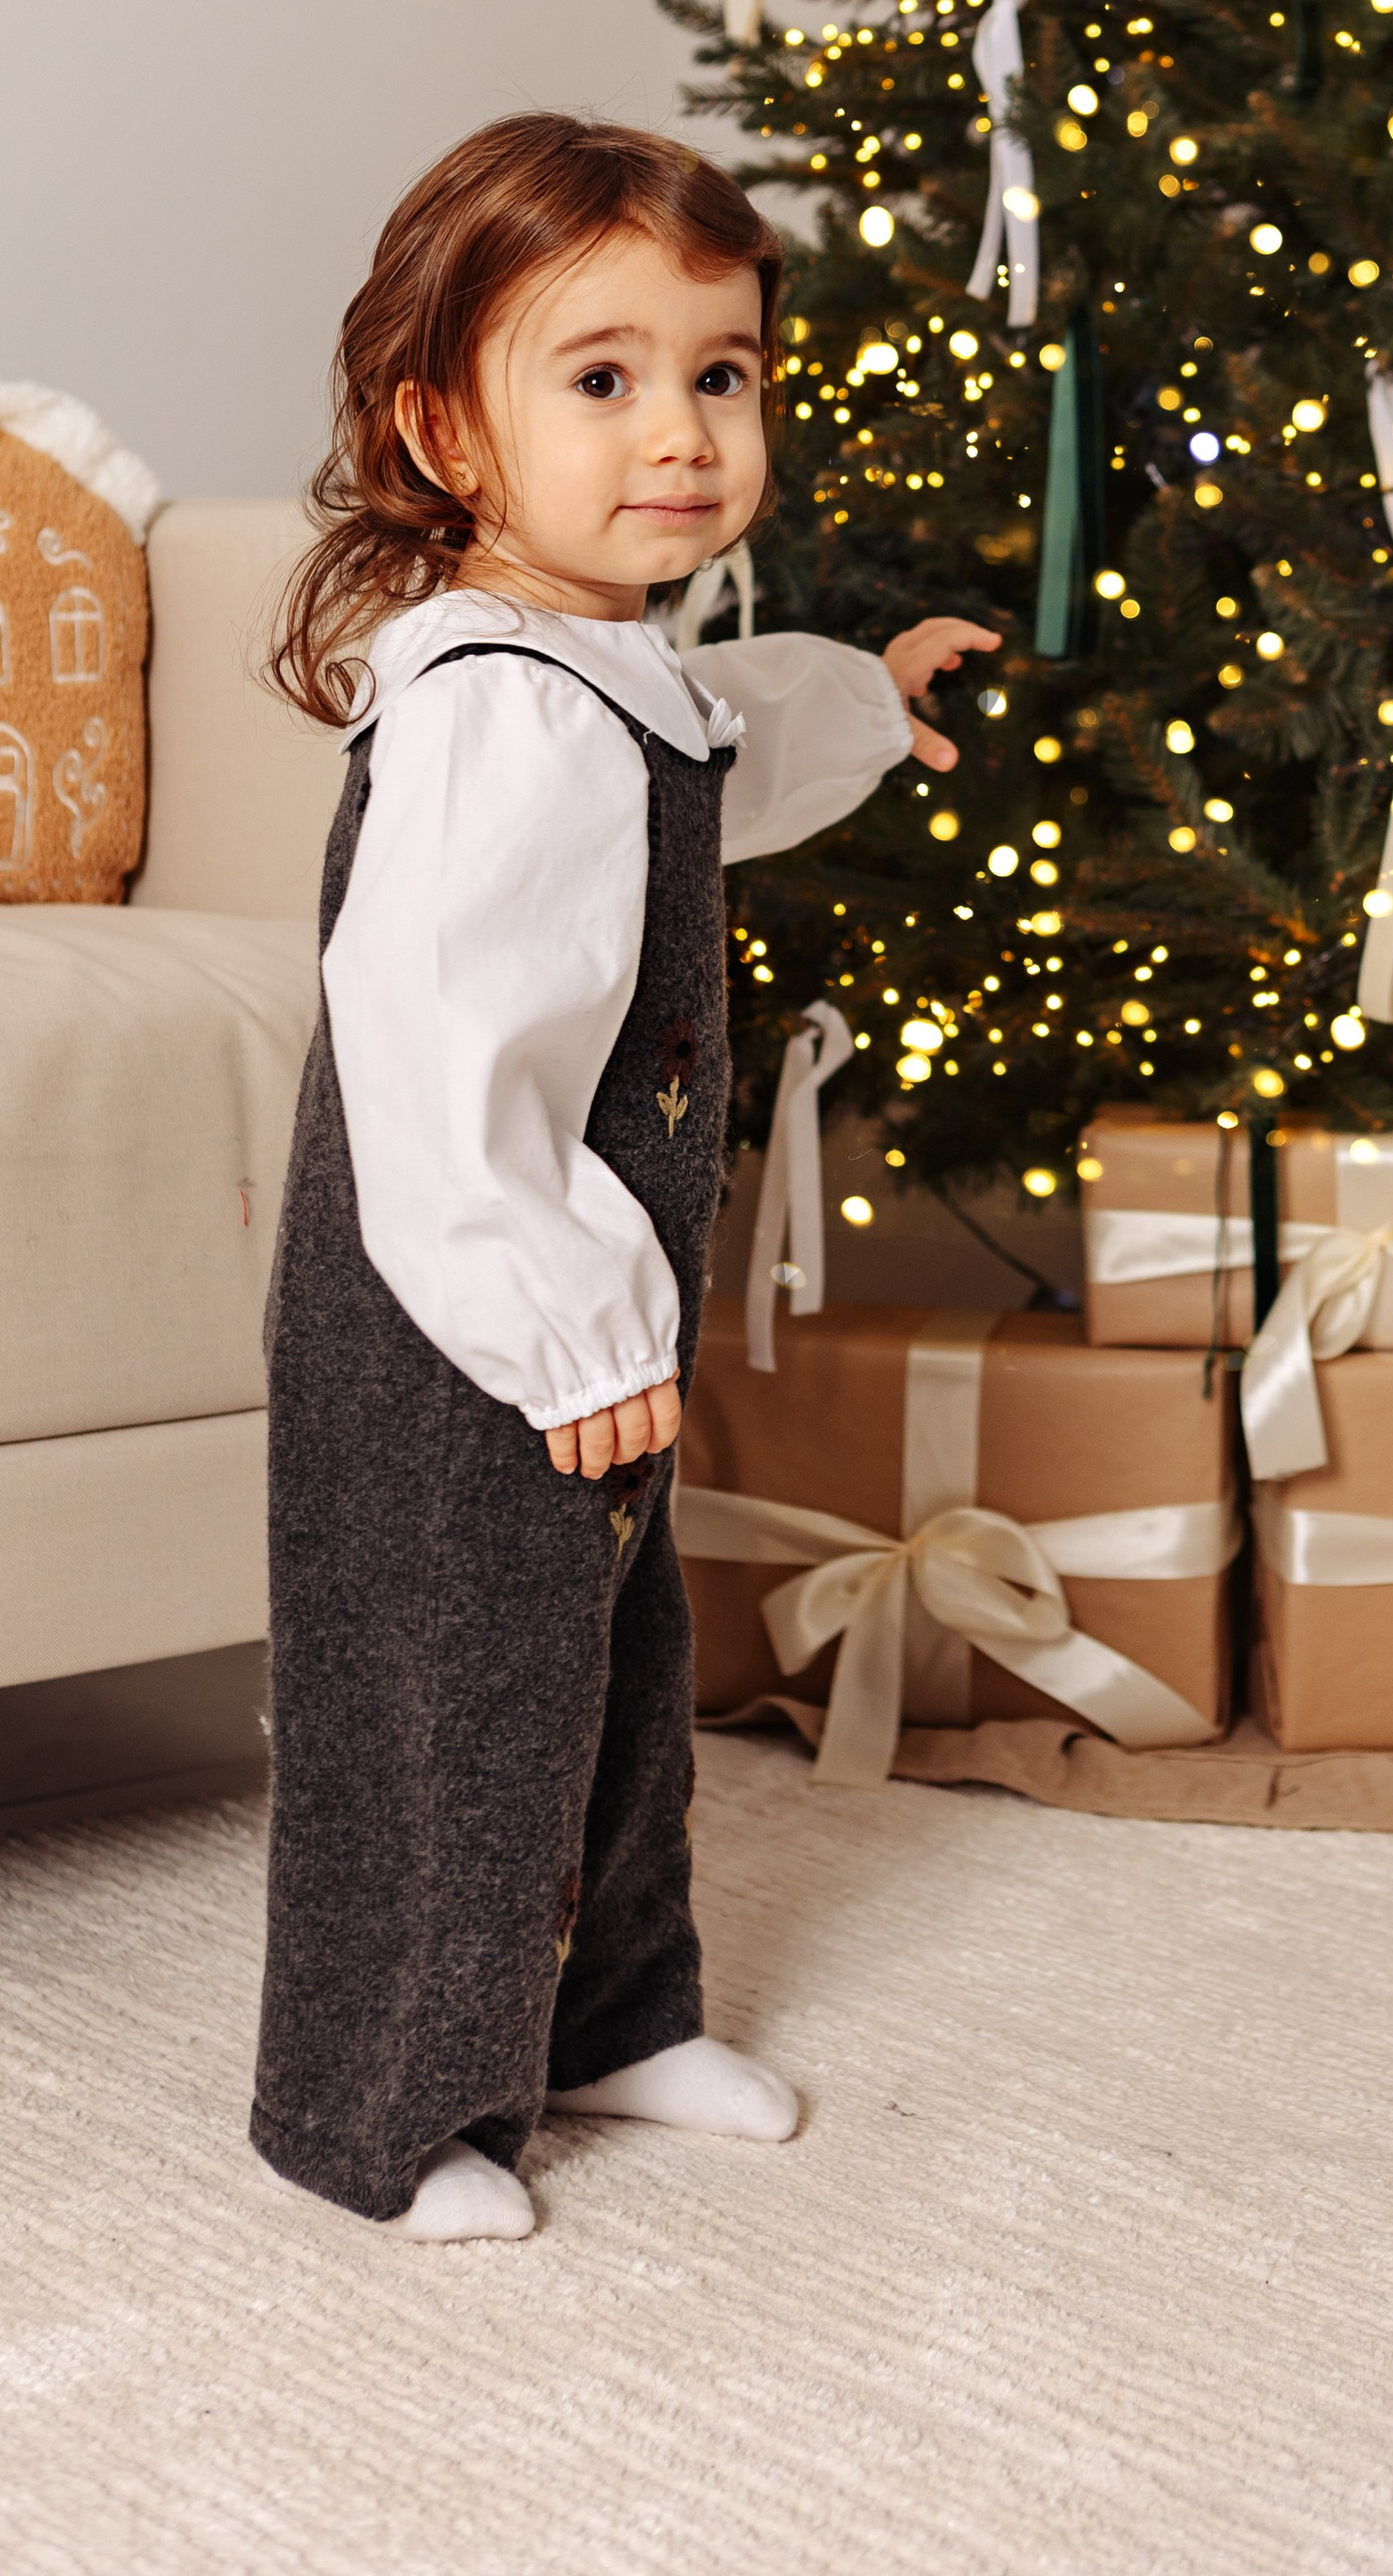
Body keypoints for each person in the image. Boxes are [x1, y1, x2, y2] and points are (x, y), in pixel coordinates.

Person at [248, 112, 995, 2242]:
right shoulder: (496, 704)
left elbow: (709, 744)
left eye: (720, 372)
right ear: (444, 427)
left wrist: (870, 694)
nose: (678, 430)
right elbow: (435, 1051)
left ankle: (606, 2014)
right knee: (454, 1699)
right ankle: (385, 2108)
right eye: (600, 378)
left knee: (606, 1667)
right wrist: (551, 1314)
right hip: (467, 1307)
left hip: (575, 1313)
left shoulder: (596, 664)